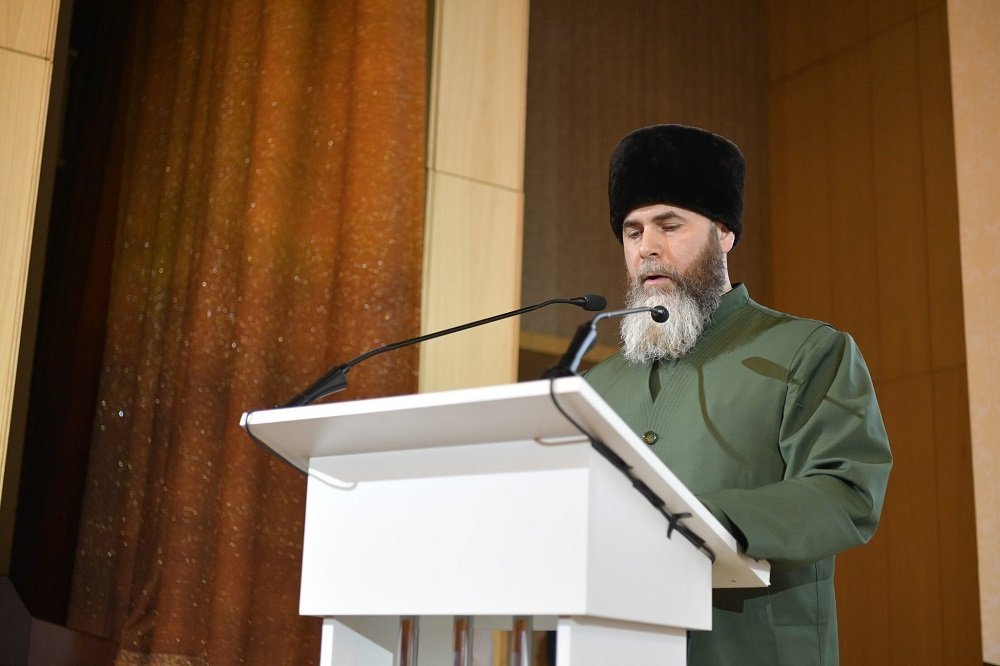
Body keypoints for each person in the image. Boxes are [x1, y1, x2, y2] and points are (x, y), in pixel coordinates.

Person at [584, 124, 892, 665]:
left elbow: (847, 492)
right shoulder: (596, 385)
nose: (647, 248)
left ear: (723, 234)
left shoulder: (806, 350)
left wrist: (703, 522)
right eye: (632, 232)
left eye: (669, 225)